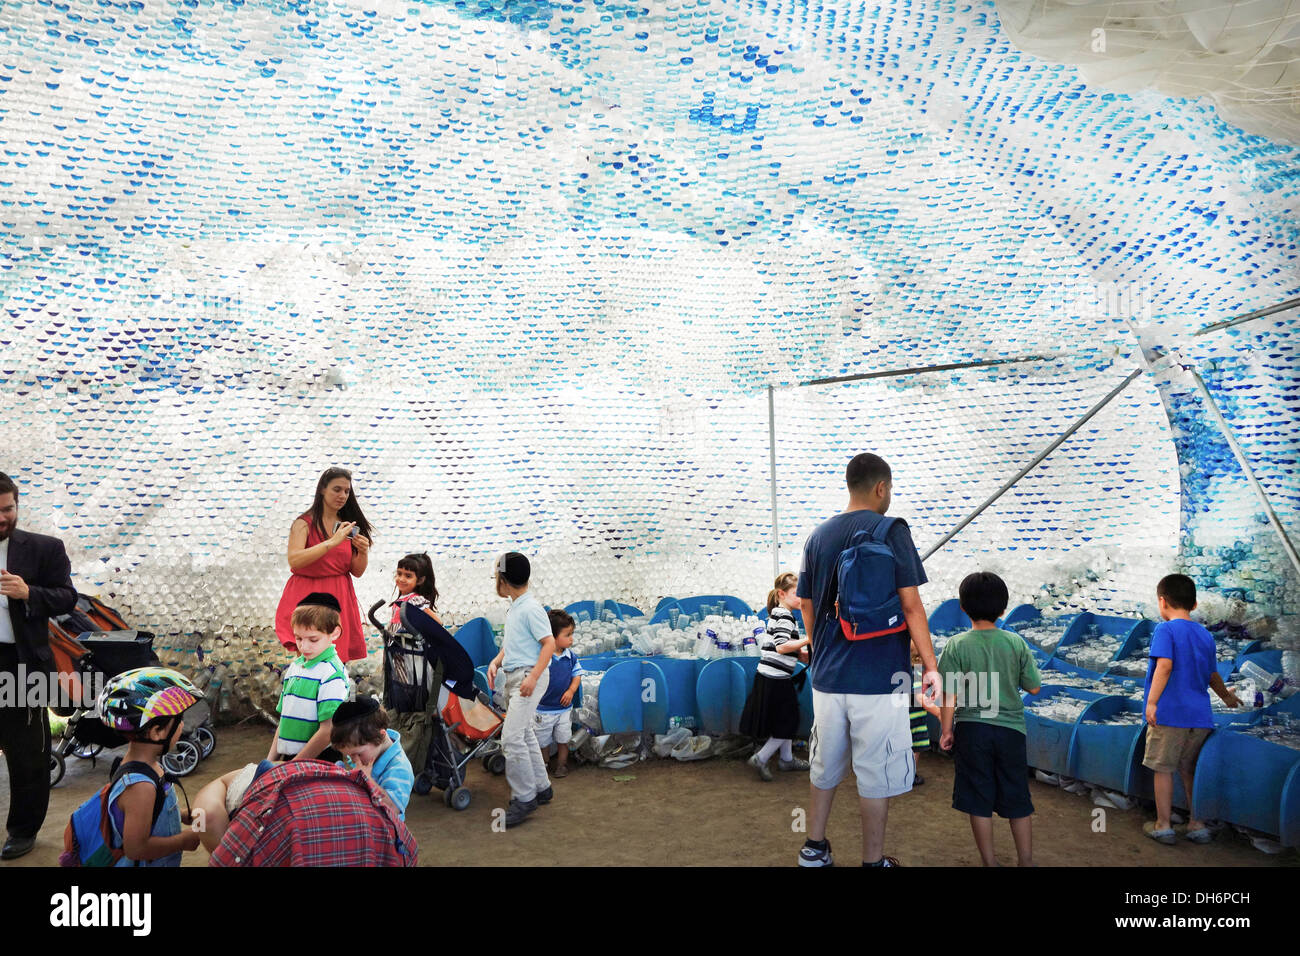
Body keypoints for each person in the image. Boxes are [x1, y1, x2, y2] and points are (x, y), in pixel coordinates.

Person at [794, 453, 940, 867]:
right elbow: (911, 607)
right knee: (876, 771)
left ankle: (814, 848)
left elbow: (805, 603)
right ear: (881, 488)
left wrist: (819, 649)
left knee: (825, 763)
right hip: (879, 678)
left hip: (827, 678)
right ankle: (873, 860)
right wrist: (930, 666)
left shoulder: (817, 537)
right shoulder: (891, 530)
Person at [937, 572, 1041, 867]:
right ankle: (1026, 861)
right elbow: (1034, 686)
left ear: (962, 606)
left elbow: (949, 694)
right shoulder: (1016, 643)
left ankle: (990, 862)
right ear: (1004, 608)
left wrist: (946, 730)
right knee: (1017, 796)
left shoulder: (956, 645)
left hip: (972, 731)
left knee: (977, 796)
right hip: (1011, 731)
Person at [0, 471, 77, 860]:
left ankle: (23, 829)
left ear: (16, 505)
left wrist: (30, 592)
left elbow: (67, 597)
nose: (2, 517)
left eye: (8, 509)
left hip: (19, 662)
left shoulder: (44, 548)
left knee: (27, 752)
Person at [1141, 573, 1240, 845]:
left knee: (1162, 768)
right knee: (1189, 768)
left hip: (1170, 713)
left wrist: (1152, 701)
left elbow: (1165, 665)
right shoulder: (1205, 634)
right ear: (1195, 605)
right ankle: (1196, 823)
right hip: (1200, 717)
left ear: (1162, 602)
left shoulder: (1165, 630)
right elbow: (1212, 675)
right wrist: (1227, 698)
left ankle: (1163, 825)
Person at [209, 760, 418, 867]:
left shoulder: (244, 810)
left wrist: (184, 839)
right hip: (364, 818)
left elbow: (207, 823)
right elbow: (408, 849)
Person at [96, 667, 206, 866]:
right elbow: (136, 848)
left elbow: (144, 814)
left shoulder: (146, 766)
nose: (182, 726)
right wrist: (183, 841)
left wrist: (179, 815)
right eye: (178, 720)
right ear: (157, 732)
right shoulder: (140, 787)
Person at [273, 467, 373, 662]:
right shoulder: (303, 523)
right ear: (322, 490)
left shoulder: (348, 525)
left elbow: (357, 571)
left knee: (337, 659)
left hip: (339, 595)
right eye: (337, 489)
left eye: (347, 491)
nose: (342, 495)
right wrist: (332, 542)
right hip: (307, 596)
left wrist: (363, 551)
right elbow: (294, 560)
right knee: (309, 655)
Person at [486, 552, 555, 827]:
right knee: (523, 733)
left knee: (511, 738)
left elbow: (549, 644)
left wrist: (532, 677)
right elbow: (515, 643)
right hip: (519, 675)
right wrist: (497, 660)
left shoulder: (530, 608)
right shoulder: (516, 607)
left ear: (503, 580)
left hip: (528, 677)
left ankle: (524, 797)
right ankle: (541, 786)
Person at [268, 593, 351, 762]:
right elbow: (284, 720)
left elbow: (328, 731)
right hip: (290, 760)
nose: (304, 646)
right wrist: (268, 762)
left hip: (319, 760)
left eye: (313, 639)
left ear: (334, 633)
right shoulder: (295, 667)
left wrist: (293, 765)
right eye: (298, 638)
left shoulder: (332, 674)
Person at [744, 572, 812, 781]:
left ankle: (786, 758)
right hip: (775, 679)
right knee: (788, 722)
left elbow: (782, 648)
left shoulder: (780, 614)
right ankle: (762, 757)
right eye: (796, 593)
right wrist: (808, 638)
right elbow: (782, 646)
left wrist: (804, 654)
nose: (801, 598)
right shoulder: (784, 615)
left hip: (772, 677)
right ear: (782, 594)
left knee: (784, 720)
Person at [331, 696, 415, 819]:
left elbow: (393, 809)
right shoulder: (367, 753)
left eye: (357, 754)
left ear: (381, 737)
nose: (354, 760)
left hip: (385, 833)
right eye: (348, 755)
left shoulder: (399, 768)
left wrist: (367, 780)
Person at [536, 609, 585, 779]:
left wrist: (571, 690)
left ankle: (562, 765)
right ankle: (543, 764)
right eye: (568, 634)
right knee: (542, 741)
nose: (572, 638)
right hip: (543, 709)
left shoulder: (570, 656)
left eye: (572, 634)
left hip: (564, 709)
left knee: (564, 738)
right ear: (552, 636)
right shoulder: (543, 657)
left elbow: (577, 675)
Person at [910, 643, 940, 785]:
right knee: (915, 746)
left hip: (898, 717)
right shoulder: (916, 671)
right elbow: (919, 697)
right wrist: (938, 712)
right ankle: (911, 776)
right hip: (914, 718)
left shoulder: (896, 668)